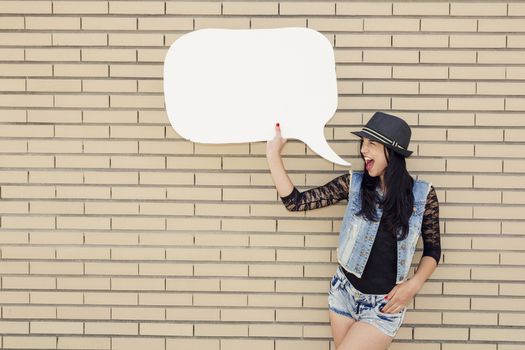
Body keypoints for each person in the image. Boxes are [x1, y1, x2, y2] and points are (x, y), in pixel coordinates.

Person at [266, 112, 440, 350]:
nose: (363, 150)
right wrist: (273, 154)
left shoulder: (422, 195)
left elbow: (433, 249)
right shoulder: (354, 184)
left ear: (393, 151)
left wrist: (414, 284)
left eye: (372, 144)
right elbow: (296, 202)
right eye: (363, 143)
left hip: (384, 306)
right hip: (344, 293)